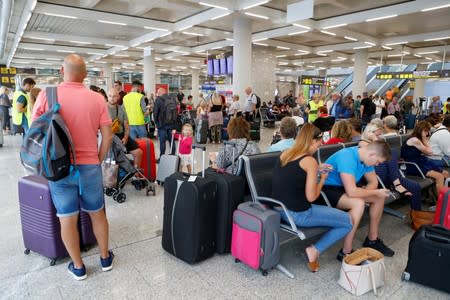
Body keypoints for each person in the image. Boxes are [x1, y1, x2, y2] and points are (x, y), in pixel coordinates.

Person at [32, 54, 113, 280]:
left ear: (61, 70)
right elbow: (107, 137)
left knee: (66, 217)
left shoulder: (47, 95)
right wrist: (96, 158)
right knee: (97, 214)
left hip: (59, 168)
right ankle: (105, 258)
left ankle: (78, 267)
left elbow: (35, 131)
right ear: (85, 74)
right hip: (89, 167)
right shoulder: (97, 98)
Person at [272, 123, 352, 272]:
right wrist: (321, 178)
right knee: (348, 221)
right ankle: (314, 250)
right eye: (318, 144)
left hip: (279, 209)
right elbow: (311, 197)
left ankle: (314, 249)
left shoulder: (285, 153)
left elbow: (293, 175)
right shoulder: (310, 161)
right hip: (298, 214)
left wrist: (315, 170)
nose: (318, 148)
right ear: (312, 141)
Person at [321, 140, 395, 259]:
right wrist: (371, 192)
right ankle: (346, 252)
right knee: (359, 203)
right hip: (326, 190)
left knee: (378, 198)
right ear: (372, 154)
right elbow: (351, 192)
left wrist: (369, 193)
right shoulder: (347, 157)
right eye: (377, 162)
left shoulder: (366, 159)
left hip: (345, 188)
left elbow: (373, 182)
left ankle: (372, 240)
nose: (377, 165)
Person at [361, 122, 422, 210]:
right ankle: (396, 185)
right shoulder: (363, 143)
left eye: (380, 135)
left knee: (415, 187)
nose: (379, 137)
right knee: (391, 151)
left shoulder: (378, 142)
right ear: (369, 133)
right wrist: (374, 138)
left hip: (391, 175)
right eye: (377, 135)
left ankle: (417, 215)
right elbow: (377, 150)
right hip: (376, 176)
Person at [401, 121, 449, 191]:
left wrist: (424, 139)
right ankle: (441, 200)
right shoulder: (414, 140)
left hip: (421, 162)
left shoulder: (417, 139)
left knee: (446, 173)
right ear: (420, 130)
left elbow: (429, 152)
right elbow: (430, 152)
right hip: (413, 165)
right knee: (440, 176)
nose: (427, 133)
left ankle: (445, 195)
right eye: (426, 131)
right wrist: (424, 138)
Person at [106, 88, 143, 169]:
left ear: (118, 97)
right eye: (110, 96)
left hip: (121, 135)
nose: (112, 98)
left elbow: (126, 125)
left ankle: (135, 176)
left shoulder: (121, 109)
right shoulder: (102, 108)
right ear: (107, 96)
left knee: (138, 152)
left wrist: (125, 138)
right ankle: (112, 175)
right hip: (108, 137)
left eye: (114, 96)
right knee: (113, 157)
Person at [153, 87, 177, 159]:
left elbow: (155, 113)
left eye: (158, 92)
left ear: (160, 92)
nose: (157, 94)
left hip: (162, 125)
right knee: (171, 141)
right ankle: (173, 156)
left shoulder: (158, 100)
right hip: (171, 124)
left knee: (162, 142)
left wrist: (156, 122)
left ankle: (162, 157)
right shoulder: (172, 99)